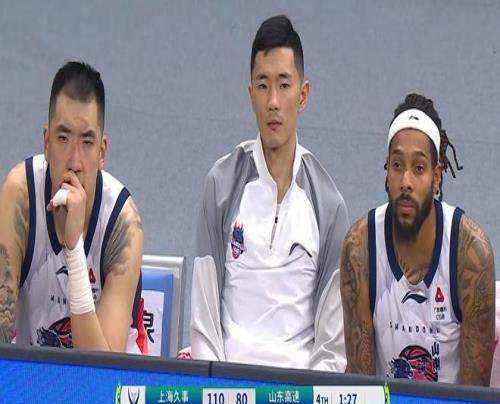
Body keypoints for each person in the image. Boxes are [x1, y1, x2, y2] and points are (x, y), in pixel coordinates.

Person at [190, 15, 349, 370]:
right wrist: (218, 390)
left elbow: (331, 348)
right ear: (251, 95)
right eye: (263, 86)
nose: (273, 101)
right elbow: (204, 326)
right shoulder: (220, 185)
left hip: (297, 396)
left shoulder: (329, 205)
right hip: (228, 388)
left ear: (303, 95)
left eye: (284, 85)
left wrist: (303, 400)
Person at [340, 93, 495, 385]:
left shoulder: (470, 252)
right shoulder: (360, 248)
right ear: (386, 170)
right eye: (397, 166)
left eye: (419, 168)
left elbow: (473, 399)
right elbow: (362, 390)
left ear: (437, 177)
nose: (406, 182)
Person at [0, 61, 146, 352]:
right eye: (63, 138)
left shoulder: (124, 225)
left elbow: (102, 371)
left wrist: (74, 248)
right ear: (46, 143)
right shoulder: (20, 196)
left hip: (105, 376)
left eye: (87, 142)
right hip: (33, 374)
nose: (74, 162)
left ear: (102, 152)